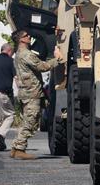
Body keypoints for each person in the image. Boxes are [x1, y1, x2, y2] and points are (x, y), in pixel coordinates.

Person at [10, 29, 63, 160]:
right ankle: (19, 149)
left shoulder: (19, 53)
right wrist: (57, 59)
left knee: (26, 121)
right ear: (21, 39)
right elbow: (42, 67)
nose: (29, 37)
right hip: (31, 93)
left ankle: (17, 147)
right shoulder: (26, 54)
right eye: (26, 35)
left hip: (27, 92)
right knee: (31, 121)